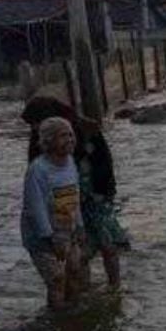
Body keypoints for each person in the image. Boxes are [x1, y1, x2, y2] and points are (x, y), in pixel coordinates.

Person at [22, 96, 129, 290]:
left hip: (94, 193)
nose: (34, 128)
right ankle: (84, 290)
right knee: (81, 250)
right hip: (66, 202)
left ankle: (115, 286)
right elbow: (36, 181)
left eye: (35, 122)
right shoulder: (41, 138)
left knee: (108, 243)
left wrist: (105, 191)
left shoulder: (83, 128)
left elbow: (104, 160)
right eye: (32, 125)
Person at [21, 117, 85, 310]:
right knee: (57, 278)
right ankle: (57, 318)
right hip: (42, 236)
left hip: (68, 229)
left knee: (75, 270)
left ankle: (74, 312)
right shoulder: (38, 169)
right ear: (48, 141)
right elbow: (36, 207)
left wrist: (80, 226)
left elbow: (75, 197)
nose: (70, 140)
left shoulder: (71, 162)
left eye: (71, 135)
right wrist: (50, 238)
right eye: (63, 136)